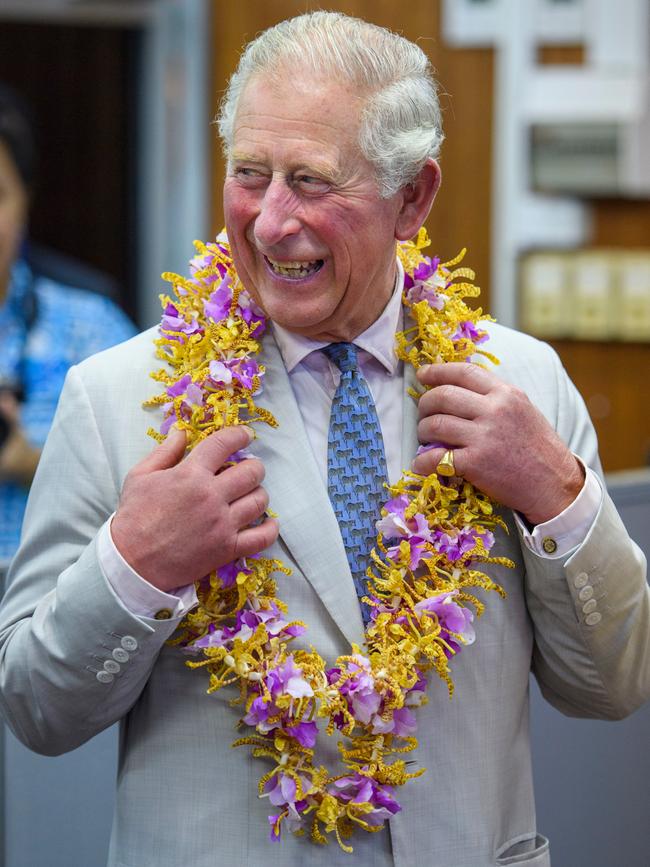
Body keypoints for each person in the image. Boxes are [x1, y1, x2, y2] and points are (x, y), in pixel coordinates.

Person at [0, 13, 648, 867]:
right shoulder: (120, 399)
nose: (270, 223)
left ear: (412, 197)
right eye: (249, 174)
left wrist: (558, 494)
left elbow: (613, 685)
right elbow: (39, 709)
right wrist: (136, 562)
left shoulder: (521, 389)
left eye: (310, 181)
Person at [0, 84, 136, 567]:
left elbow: (156, 496)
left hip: (54, 606)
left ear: (26, 200)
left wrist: (32, 462)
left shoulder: (92, 328)